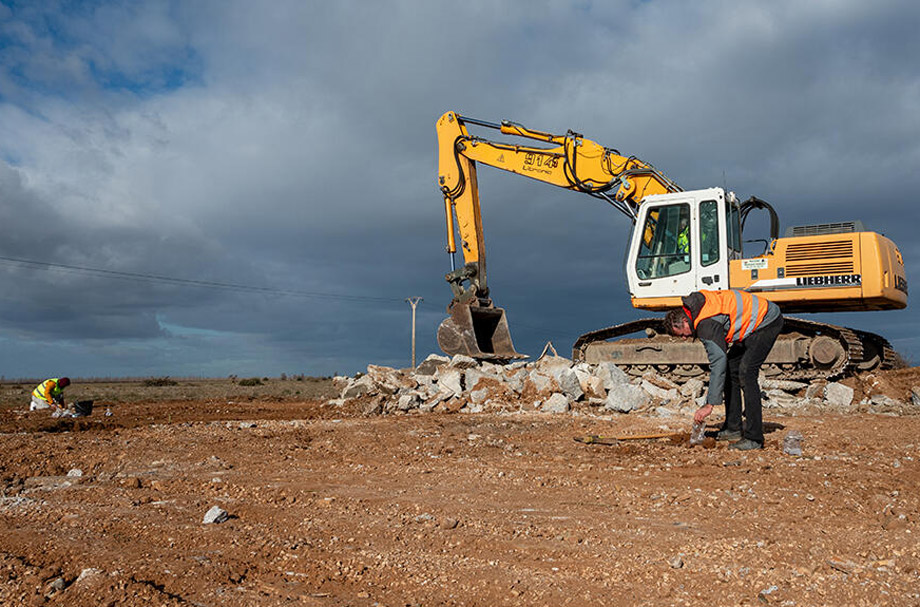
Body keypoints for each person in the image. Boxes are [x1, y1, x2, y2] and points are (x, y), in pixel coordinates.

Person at [664, 290, 783, 450]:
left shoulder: (705, 324)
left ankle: (754, 438)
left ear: (685, 321)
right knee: (731, 368)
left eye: (682, 334)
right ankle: (733, 429)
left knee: (746, 373)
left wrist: (709, 405)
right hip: (751, 324)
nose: (685, 338)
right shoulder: (699, 310)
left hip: (766, 321)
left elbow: (717, 362)